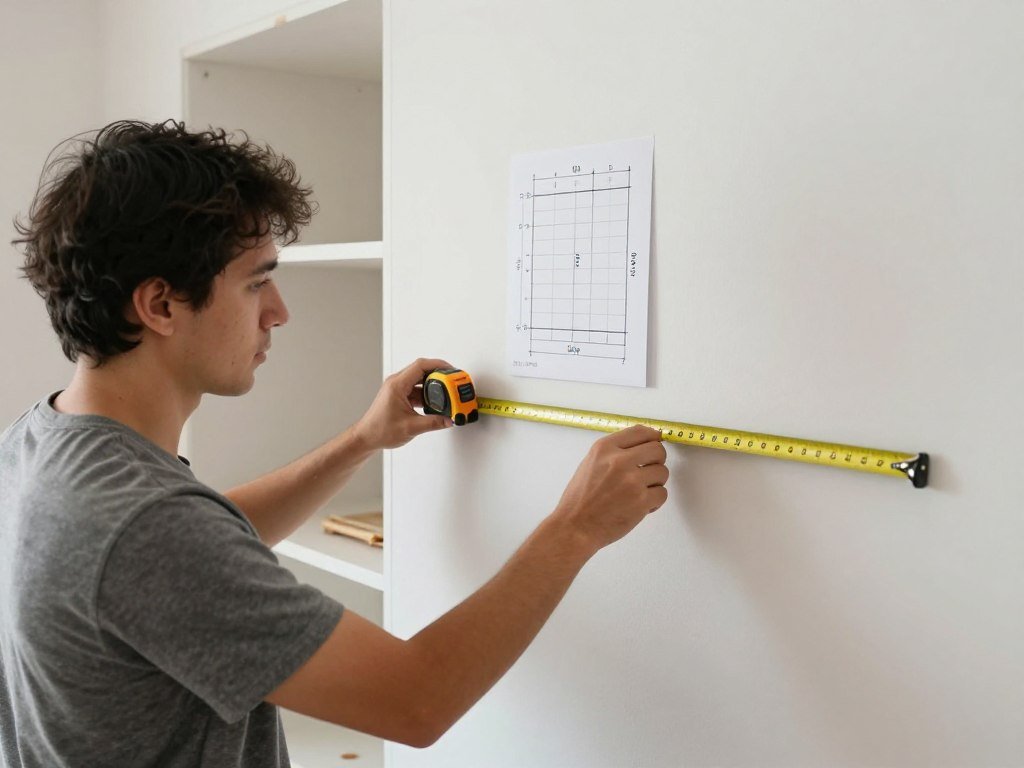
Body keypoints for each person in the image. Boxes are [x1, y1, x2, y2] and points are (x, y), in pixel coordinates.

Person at [0, 120, 669, 768]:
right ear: (161, 306)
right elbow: (416, 700)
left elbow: (194, 548)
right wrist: (574, 528)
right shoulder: (144, 527)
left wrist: (359, 441)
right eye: (256, 281)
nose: (279, 311)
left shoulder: (43, 443)